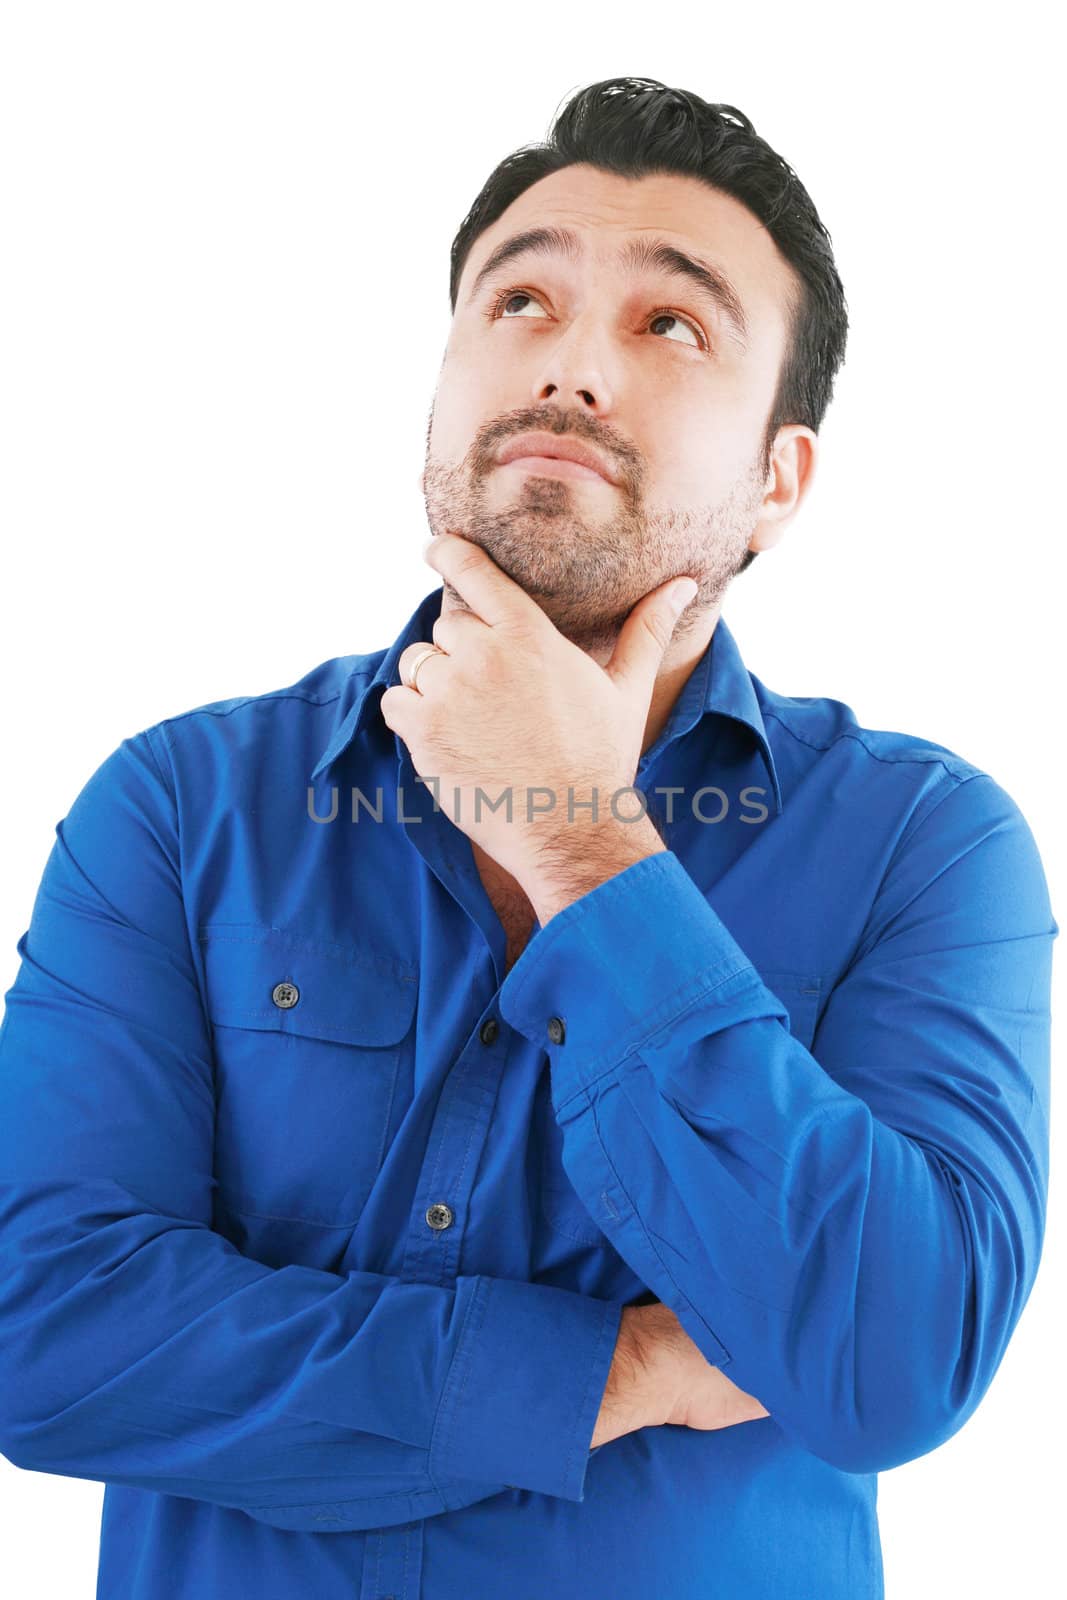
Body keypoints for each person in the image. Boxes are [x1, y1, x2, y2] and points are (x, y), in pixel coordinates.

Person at [0, 75, 1055, 1600]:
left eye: (669, 325)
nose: (569, 366)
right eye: (520, 300)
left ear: (778, 481)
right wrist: (614, 1372)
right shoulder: (180, 806)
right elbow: (38, 1337)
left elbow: (895, 1365)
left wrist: (582, 843)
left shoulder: (925, 844)